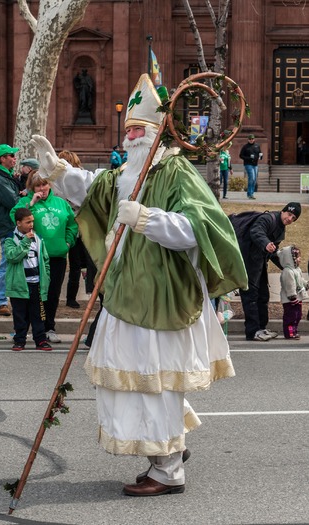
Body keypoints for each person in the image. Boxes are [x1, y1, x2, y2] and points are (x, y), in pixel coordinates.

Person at [31, 73, 247, 497]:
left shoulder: (175, 171)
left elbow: (200, 227)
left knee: (151, 378)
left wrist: (149, 220)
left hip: (161, 295)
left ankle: (167, 470)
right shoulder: (124, 174)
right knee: (131, 375)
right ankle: (170, 444)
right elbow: (91, 188)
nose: (130, 134)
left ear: (156, 133)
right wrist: (57, 169)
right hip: (125, 291)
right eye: (127, 128)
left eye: (138, 128)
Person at [10, 172, 78, 344]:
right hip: (34, 257)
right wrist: (31, 203)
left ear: (50, 185)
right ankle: (24, 330)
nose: (42, 189)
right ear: (32, 188)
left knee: (52, 293)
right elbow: (15, 218)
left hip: (57, 255)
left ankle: (49, 328)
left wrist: (68, 243)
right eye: (38, 186)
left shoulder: (61, 203)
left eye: (44, 184)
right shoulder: (25, 202)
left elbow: (72, 224)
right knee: (30, 295)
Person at [238, 202, 301, 341]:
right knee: (251, 295)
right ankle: (252, 331)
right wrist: (266, 243)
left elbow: (272, 253)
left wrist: (287, 266)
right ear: (283, 211)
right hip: (248, 260)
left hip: (259, 261)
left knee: (263, 295)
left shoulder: (281, 230)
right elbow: (256, 231)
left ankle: (261, 328)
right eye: (289, 214)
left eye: (294, 218)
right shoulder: (268, 219)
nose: (290, 219)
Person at [5, 207, 51, 352]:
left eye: (32, 222)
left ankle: (40, 340)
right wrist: (25, 242)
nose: (31, 225)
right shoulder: (10, 239)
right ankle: (20, 340)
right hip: (19, 285)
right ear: (18, 223)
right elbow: (13, 257)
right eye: (27, 222)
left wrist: (46, 278)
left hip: (36, 283)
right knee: (20, 315)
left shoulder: (38, 239)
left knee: (38, 314)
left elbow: (45, 259)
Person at [0, 144, 21, 316]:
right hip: (8, 227)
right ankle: (1, 302)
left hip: (11, 226)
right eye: (11, 156)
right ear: (2, 159)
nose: (14, 158)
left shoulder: (5, 177)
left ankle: (11, 300)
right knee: (6, 264)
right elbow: (14, 202)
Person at [58, 150, 88, 309]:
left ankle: (71, 297)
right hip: (74, 228)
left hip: (71, 228)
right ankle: (71, 298)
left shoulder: (75, 178)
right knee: (77, 264)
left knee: (76, 264)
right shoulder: (79, 178)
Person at [278, 245, 308, 340]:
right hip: (290, 300)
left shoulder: (297, 270)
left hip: (297, 298)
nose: (300, 259)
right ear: (291, 258)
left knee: (297, 316)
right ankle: (289, 333)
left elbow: (300, 280)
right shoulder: (288, 271)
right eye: (298, 257)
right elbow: (289, 285)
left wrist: (306, 284)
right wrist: (292, 297)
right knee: (290, 317)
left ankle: (294, 331)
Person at [239, 134, 262, 200]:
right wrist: (248, 158)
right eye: (250, 139)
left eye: (252, 139)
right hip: (248, 164)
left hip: (255, 164)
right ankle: (250, 194)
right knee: (252, 178)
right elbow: (241, 155)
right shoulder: (245, 147)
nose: (251, 140)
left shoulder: (257, 146)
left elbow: (260, 154)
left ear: (254, 139)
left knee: (254, 180)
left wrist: (261, 156)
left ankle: (252, 192)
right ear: (248, 139)